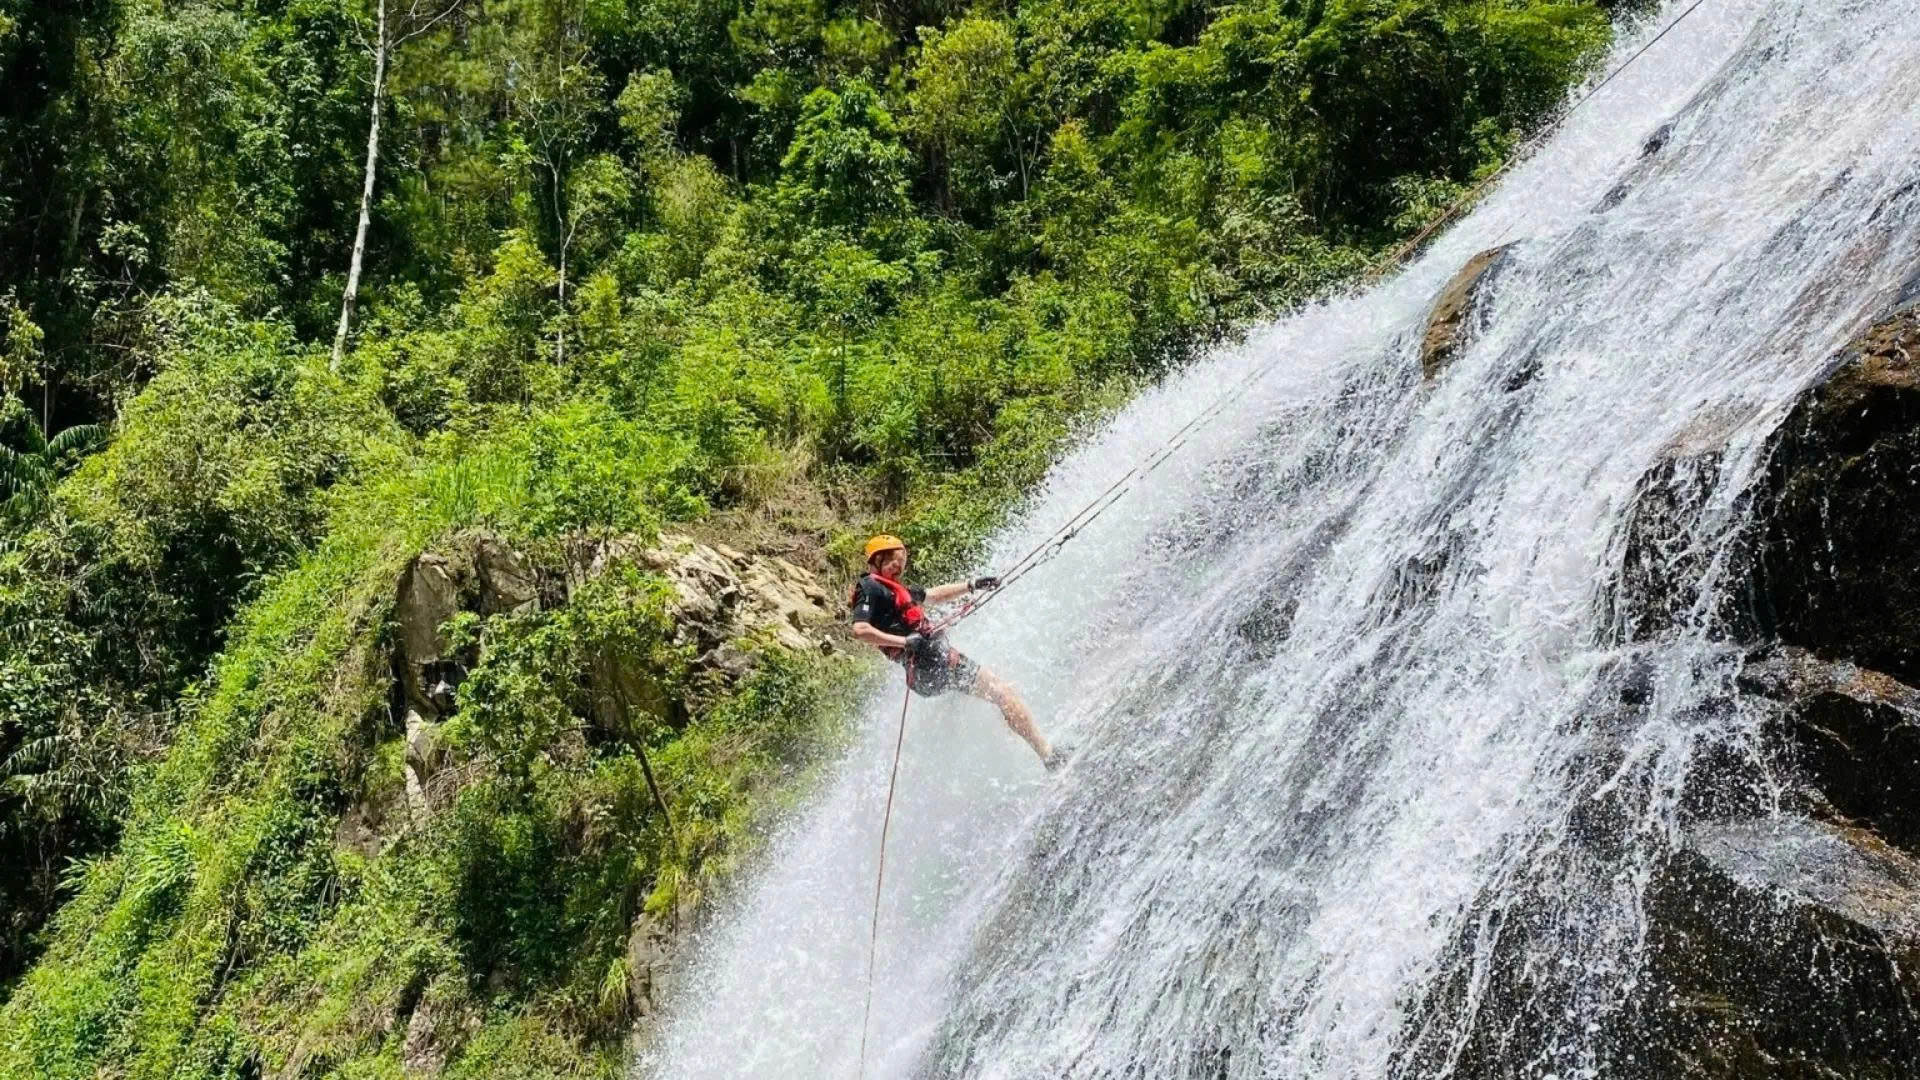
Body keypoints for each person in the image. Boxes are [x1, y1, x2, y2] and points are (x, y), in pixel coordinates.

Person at [849, 534, 1067, 772]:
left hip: (927, 675)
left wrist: (971, 585)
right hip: (934, 664)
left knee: (978, 697)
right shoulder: (870, 587)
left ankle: (988, 754)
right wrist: (904, 642)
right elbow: (860, 630)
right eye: (894, 564)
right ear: (877, 559)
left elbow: (932, 595)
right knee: (1003, 692)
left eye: (902, 564)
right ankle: (1049, 756)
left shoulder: (895, 589)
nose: (899, 570)